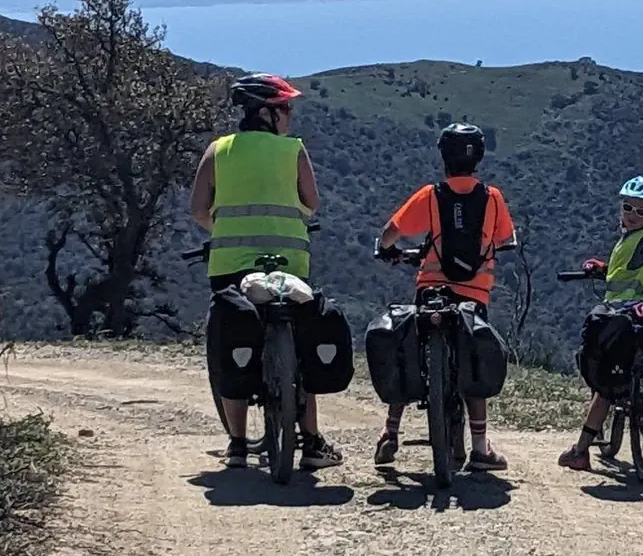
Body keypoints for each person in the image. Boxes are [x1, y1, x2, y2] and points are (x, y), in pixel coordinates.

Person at [188, 73, 344, 470]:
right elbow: (312, 201)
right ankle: (311, 442)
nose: (289, 116)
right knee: (304, 343)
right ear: (266, 113)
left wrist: (223, 230)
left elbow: (198, 209)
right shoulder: (293, 150)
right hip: (290, 265)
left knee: (230, 340)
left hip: (229, 268)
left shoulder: (218, 150)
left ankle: (237, 446)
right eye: (285, 108)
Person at [374, 123, 517, 471]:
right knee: (474, 357)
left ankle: (390, 432)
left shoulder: (431, 195)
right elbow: (506, 238)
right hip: (474, 293)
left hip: (431, 289)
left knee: (409, 350)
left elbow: (391, 233)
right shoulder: (493, 197)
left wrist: (386, 249)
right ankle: (480, 448)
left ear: (443, 157)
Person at [558, 174, 643, 473]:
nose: (632, 215)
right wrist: (602, 269)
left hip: (622, 314)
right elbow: (626, 270)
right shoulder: (629, 240)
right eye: (628, 207)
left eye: (642, 211)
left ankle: (580, 450)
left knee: (606, 385)